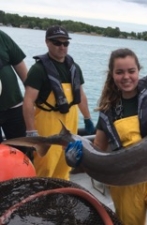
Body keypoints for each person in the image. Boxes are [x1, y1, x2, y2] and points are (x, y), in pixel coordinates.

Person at [66, 48, 147, 224]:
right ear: (112, 74)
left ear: (138, 70)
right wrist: (78, 161)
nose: (126, 77)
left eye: (131, 71)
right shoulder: (108, 109)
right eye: (120, 72)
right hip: (126, 182)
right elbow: (98, 149)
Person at [23, 25, 95, 180]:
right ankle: (41, 199)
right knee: (45, 166)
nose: (62, 47)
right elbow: (28, 101)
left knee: (66, 164)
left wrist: (88, 118)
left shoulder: (74, 68)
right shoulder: (38, 70)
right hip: (47, 124)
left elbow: (80, 96)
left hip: (71, 122)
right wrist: (31, 131)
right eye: (57, 43)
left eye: (65, 43)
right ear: (47, 42)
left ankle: (60, 198)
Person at [0, 29, 27, 150]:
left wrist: (32, 96)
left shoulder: (2, 37)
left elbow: (19, 64)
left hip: (14, 105)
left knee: (21, 149)